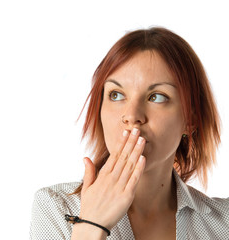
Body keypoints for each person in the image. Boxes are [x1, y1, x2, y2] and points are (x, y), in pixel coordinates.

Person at [29, 27, 229, 239]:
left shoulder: (223, 223)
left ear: (191, 120)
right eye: (116, 95)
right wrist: (90, 225)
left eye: (157, 97)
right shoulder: (55, 207)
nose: (131, 115)